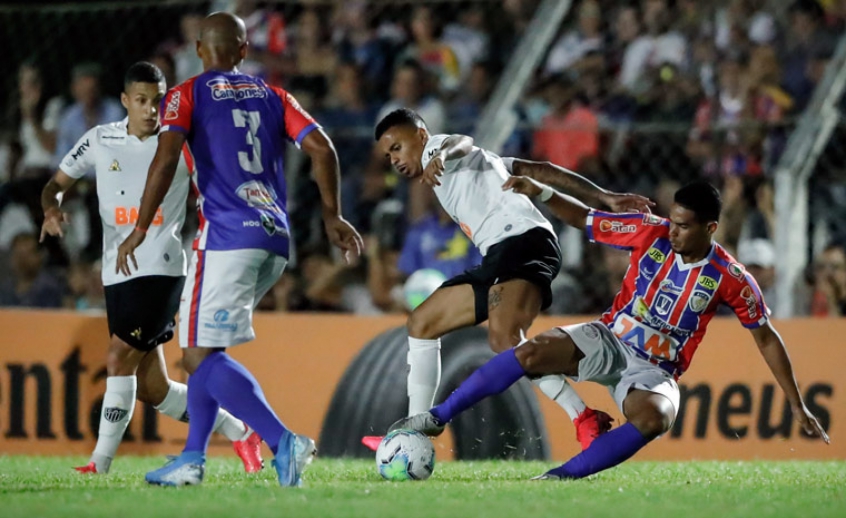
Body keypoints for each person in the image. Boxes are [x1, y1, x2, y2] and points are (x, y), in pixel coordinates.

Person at [392, 178, 829, 480]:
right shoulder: (649, 232)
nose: (671, 230)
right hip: (609, 338)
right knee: (528, 354)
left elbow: (766, 336)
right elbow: (584, 218)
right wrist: (541, 191)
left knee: (656, 416)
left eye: (683, 225)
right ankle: (435, 417)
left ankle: (558, 478)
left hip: (654, 370)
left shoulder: (732, 277)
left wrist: (795, 404)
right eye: (672, 221)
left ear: (710, 228)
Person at [116, 13, 362, 487]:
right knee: (206, 352)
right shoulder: (274, 96)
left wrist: (140, 227)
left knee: (196, 357)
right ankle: (192, 459)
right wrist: (332, 214)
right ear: (244, 51)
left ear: (199, 49)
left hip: (227, 235)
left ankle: (281, 440)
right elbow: (323, 148)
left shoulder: (186, 94)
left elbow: (167, 159)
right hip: (273, 237)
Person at [368, 108, 652, 451]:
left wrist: (440, 155)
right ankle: (413, 432)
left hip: (522, 241)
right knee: (423, 322)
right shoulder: (487, 163)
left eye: (397, 147)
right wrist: (602, 196)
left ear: (421, 136)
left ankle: (583, 416)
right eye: (388, 155)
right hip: (502, 252)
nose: (394, 159)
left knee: (505, 340)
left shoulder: (441, 150)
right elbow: (541, 171)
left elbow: (461, 142)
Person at [40, 62, 261, 475]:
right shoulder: (99, 139)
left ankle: (99, 464)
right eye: (141, 101)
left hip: (161, 267)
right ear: (125, 101)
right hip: (116, 272)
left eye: (157, 100)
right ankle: (241, 432)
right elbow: (54, 184)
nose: (150, 109)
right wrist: (51, 208)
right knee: (155, 390)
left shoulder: (180, 144)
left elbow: (219, 187)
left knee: (118, 356)